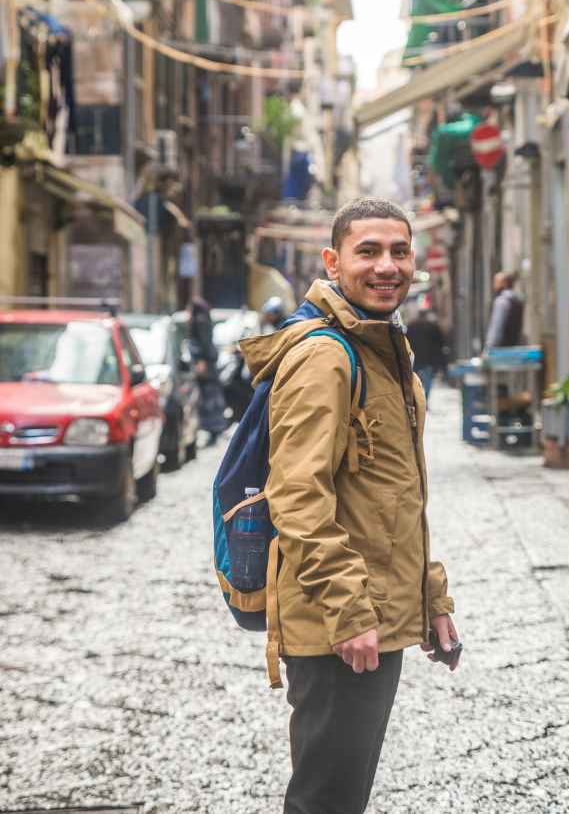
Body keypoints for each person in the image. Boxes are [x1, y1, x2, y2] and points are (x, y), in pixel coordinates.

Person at [239, 196, 459, 814]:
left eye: (399, 251)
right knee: (325, 801)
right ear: (334, 263)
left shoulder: (386, 356)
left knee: (340, 796)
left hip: (372, 611)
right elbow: (298, 495)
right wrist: (350, 610)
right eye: (368, 251)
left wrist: (431, 597)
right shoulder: (326, 357)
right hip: (341, 623)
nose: (387, 265)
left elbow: (393, 498)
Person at [188, 297, 228, 444]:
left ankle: (214, 430)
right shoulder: (203, 319)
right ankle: (213, 430)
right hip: (208, 366)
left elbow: (203, 343)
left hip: (206, 366)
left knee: (209, 398)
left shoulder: (200, 321)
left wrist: (201, 361)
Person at [405, 308, 448, 399]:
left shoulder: (411, 326)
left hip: (414, 359)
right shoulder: (432, 326)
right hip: (429, 360)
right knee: (428, 381)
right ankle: (425, 400)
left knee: (414, 380)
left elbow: (406, 342)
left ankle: (417, 399)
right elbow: (440, 343)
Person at [485, 270, 525, 350]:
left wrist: (489, 348)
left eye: (496, 282)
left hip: (501, 349)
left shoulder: (501, 301)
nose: (494, 285)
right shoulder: (518, 300)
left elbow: (496, 327)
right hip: (514, 347)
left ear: (504, 283)